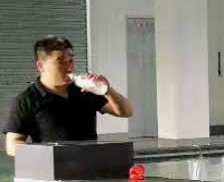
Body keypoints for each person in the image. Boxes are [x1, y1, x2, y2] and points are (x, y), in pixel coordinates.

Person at [3, 36, 133, 157]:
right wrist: (49, 153)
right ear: (41, 66)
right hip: (53, 170)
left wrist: (106, 90)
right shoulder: (26, 100)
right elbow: (12, 146)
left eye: (70, 60)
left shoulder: (85, 90)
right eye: (60, 62)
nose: (69, 67)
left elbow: (126, 112)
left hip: (90, 165)